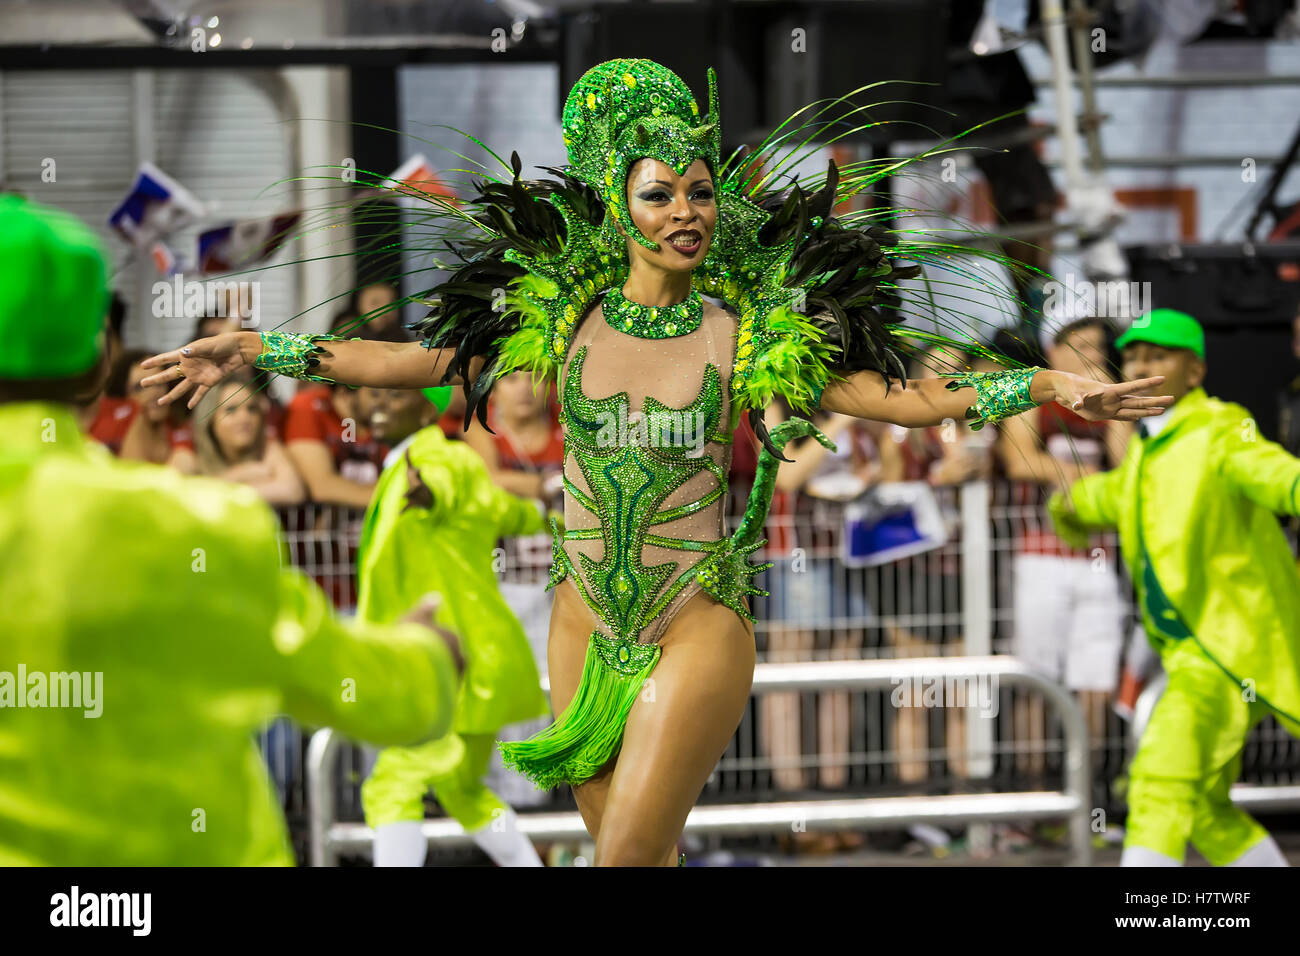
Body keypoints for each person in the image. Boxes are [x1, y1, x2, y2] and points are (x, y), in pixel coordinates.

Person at [143, 59, 1169, 866]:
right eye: (658, 193)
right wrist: (250, 345)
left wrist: (1040, 384)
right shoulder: (554, 315)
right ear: (616, 206)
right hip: (581, 618)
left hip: (695, 616)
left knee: (625, 855)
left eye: (699, 191)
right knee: (637, 852)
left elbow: (895, 396)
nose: (685, 209)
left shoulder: (747, 330)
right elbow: (398, 356)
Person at [0, 194, 464, 866]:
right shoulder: (185, 525)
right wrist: (428, 660)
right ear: (98, 361)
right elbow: (340, 677)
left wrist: (255, 345)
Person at [1051, 308, 1300, 867]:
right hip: (1195, 649)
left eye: (1158, 357)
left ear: (1195, 371)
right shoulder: (1150, 441)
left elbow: (1274, 473)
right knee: (1204, 805)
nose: (1142, 367)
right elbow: (1120, 496)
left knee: (1158, 782)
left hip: (1226, 649)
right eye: (1134, 357)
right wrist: (1069, 504)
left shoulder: (1218, 428)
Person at [354, 384, 552, 866]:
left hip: (452, 661)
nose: (379, 403)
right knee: (462, 790)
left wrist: (430, 494)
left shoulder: (436, 460)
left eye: (394, 396)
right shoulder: (421, 465)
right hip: (471, 658)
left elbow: (442, 487)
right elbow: (503, 509)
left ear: (429, 409)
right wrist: (545, 512)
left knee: (393, 785)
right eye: (372, 395)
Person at [1000, 315, 1130, 778]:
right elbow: (1017, 460)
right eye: (1078, 348)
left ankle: (1085, 794)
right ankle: (1030, 795)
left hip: (1098, 561)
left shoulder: (1109, 402)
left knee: (1094, 680)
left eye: (1097, 350)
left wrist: (1112, 403)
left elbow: (1127, 467)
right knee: (1038, 678)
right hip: (1041, 559)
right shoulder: (1031, 395)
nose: (1089, 359)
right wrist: (1080, 477)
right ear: (1053, 355)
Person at [191, 370, 305, 505]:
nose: (244, 418)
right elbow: (191, 496)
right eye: (231, 410)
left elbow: (292, 491)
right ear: (210, 420)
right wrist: (243, 474)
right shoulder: (193, 455)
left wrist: (221, 489)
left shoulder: (268, 446)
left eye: (252, 409)